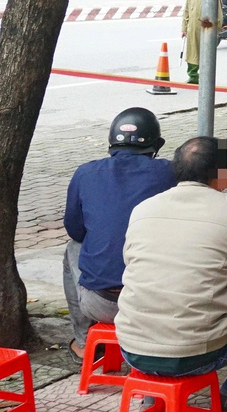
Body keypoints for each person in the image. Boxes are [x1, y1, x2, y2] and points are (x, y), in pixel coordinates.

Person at [116, 136, 227, 412]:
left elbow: (143, 271)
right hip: (192, 356)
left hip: (132, 349)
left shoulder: (142, 210)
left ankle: (152, 398)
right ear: (220, 174)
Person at [62, 107, 175, 363]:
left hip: (101, 304)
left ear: (111, 143)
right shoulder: (171, 172)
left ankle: (84, 343)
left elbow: (75, 231)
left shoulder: (85, 173)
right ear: (157, 145)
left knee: (72, 247)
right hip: (156, 302)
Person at [181, 0, 222, 84]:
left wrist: (216, 29)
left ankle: (205, 77)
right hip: (192, 29)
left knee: (205, 54)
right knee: (191, 53)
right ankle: (193, 76)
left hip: (206, 30)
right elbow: (186, 12)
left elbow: (219, 13)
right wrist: (184, 28)